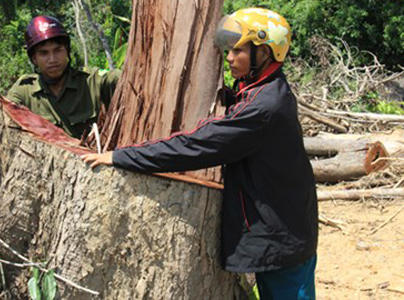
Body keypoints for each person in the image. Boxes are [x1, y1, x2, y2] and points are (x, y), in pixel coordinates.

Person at [82, 7, 318, 299]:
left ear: (265, 53)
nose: (229, 57)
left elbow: (194, 145)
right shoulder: (265, 88)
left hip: (282, 238)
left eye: (238, 51)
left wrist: (121, 156)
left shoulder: (263, 107)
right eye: (228, 50)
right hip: (288, 226)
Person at [0, 15, 121, 138]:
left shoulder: (91, 80)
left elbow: (120, 78)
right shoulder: (25, 90)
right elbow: (5, 118)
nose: (52, 59)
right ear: (34, 58)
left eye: (58, 50)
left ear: (67, 51)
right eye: (44, 53)